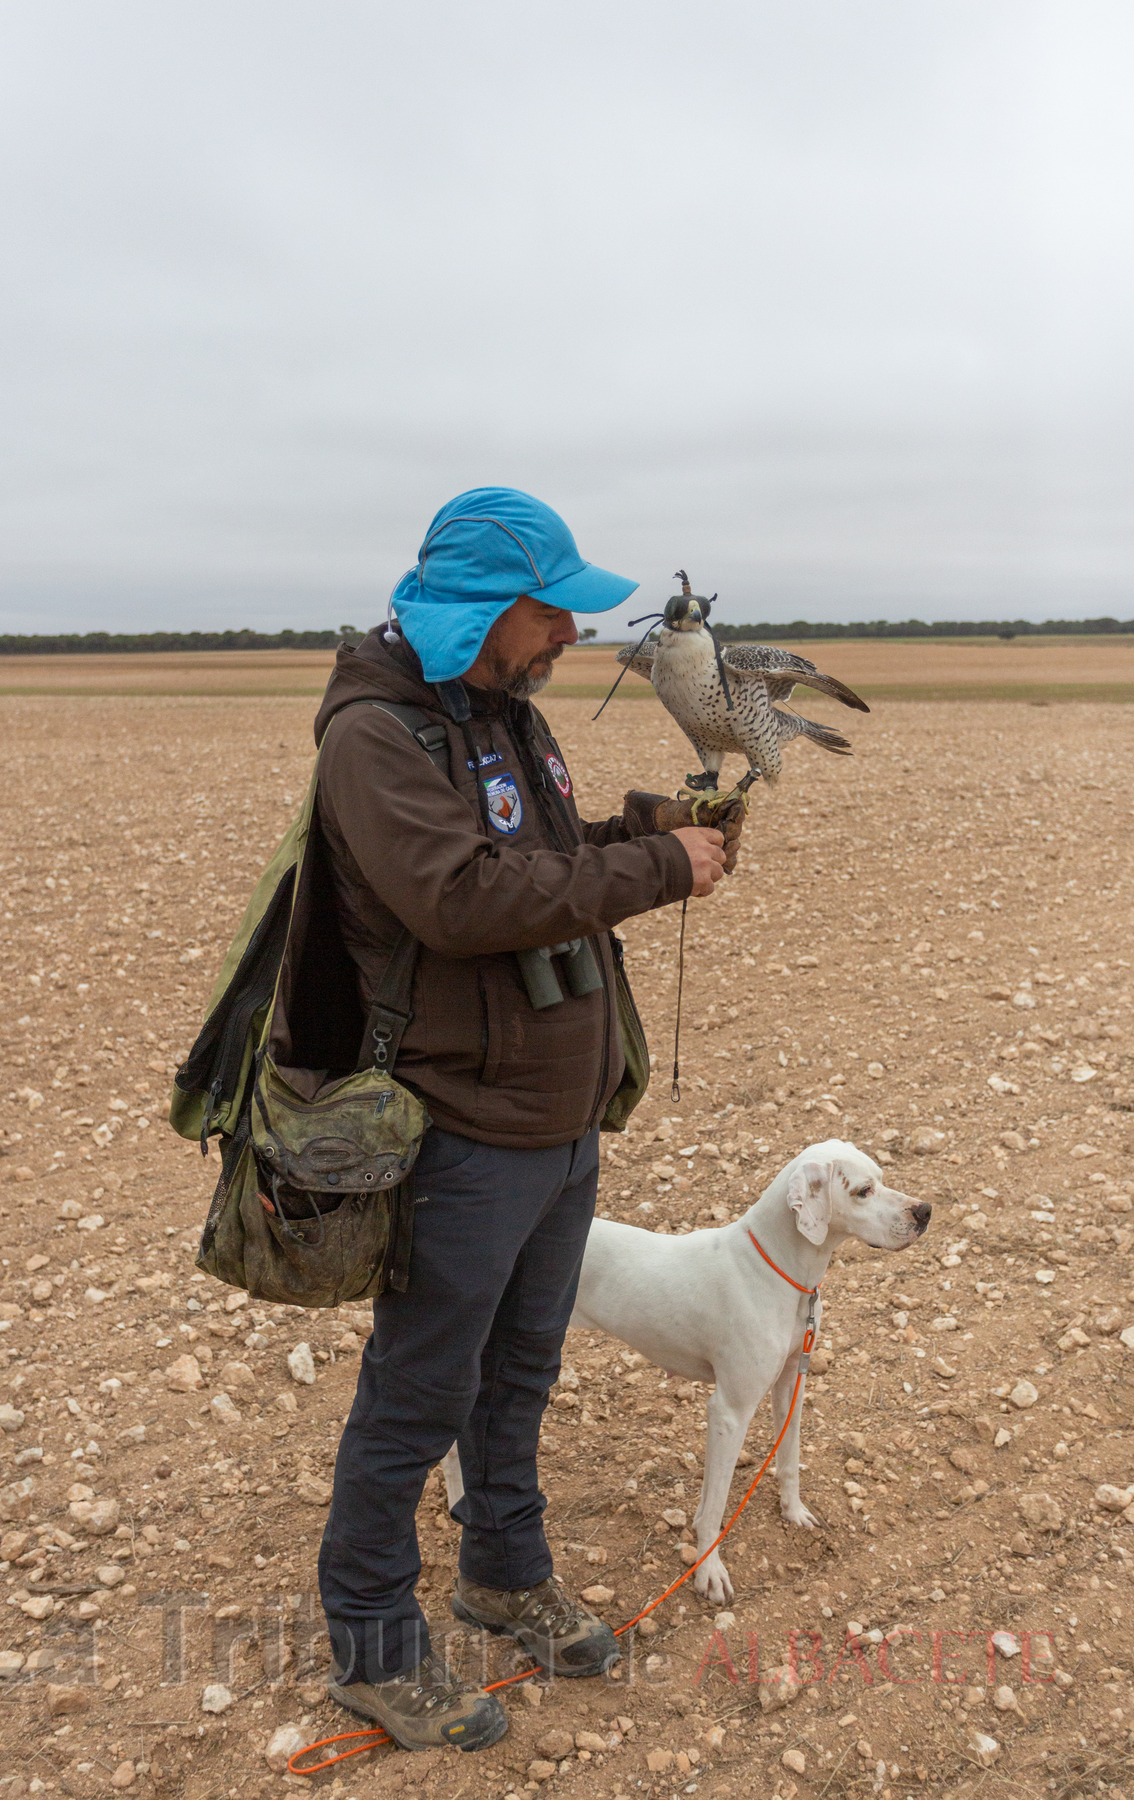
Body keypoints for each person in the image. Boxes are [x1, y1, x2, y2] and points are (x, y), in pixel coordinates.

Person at [312, 488, 742, 1752]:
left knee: (521, 1373)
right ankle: (373, 1643)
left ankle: (504, 1572)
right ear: (487, 607)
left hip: (558, 1123)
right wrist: (657, 871)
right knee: (419, 1393)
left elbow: (542, 860)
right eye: (551, 607)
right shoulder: (377, 737)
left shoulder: (509, 717)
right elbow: (461, 898)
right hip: (458, 1129)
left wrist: (637, 830)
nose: (570, 630)